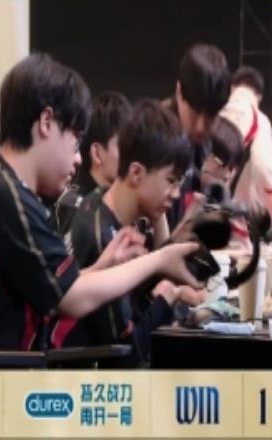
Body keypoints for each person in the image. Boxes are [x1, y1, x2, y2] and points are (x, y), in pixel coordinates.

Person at [0, 53, 202, 352]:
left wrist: (102, 265)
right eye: (75, 140)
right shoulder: (5, 197)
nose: (78, 158)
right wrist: (160, 261)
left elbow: (55, 288)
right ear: (46, 122)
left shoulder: (2, 187)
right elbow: (71, 299)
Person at [59, 99, 206, 362]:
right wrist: (168, 297)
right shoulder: (101, 237)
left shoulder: (104, 204)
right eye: (171, 181)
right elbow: (124, 356)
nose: (175, 194)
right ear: (136, 173)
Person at [161, 43, 231, 230]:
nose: (200, 127)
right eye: (195, 112)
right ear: (179, 92)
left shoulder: (205, 145)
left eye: (210, 117)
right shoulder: (156, 142)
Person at [55, 92, 132, 237]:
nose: (132, 156)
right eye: (124, 147)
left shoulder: (121, 205)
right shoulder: (73, 206)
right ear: (97, 153)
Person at [222, 65, 272, 232]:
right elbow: (263, 169)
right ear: (259, 96)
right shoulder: (260, 120)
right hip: (235, 225)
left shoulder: (216, 115)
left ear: (232, 87)